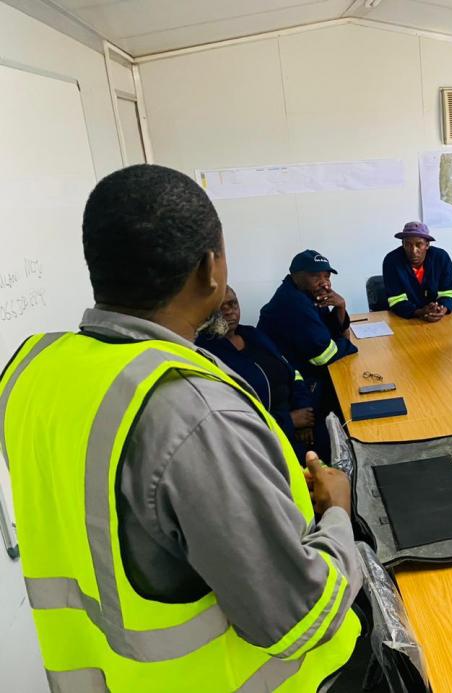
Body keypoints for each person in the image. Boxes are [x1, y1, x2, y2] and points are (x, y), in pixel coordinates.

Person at [0, 164, 361, 691]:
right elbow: (300, 618)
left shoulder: (34, 370)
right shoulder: (194, 411)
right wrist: (337, 513)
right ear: (209, 269)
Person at [196, 285, 318, 461]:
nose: (229, 312)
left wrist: (303, 412)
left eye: (233, 304)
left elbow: (292, 373)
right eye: (221, 307)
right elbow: (233, 417)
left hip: (297, 422)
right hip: (263, 443)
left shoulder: (252, 334)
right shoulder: (206, 354)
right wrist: (289, 421)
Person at [258, 249, 357, 378]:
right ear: (295, 276)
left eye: (327, 276)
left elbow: (329, 331)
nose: (324, 283)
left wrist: (341, 307)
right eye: (315, 276)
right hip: (289, 379)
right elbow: (323, 356)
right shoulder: (294, 302)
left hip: (301, 367)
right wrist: (349, 345)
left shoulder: (310, 294)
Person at [382, 221, 452, 321]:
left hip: (438, 319)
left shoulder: (441, 258)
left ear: (427, 244)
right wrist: (420, 312)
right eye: (408, 244)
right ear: (402, 244)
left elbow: (448, 292)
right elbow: (396, 300)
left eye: (419, 244)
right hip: (404, 320)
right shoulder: (392, 261)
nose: (413, 251)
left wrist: (441, 309)